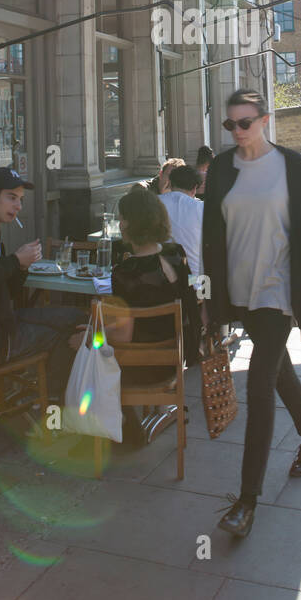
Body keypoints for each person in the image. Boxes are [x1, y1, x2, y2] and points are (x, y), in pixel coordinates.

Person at [202, 88, 301, 539]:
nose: (238, 132)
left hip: (277, 291)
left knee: (258, 385)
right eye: (230, 125)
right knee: (279, 371)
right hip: (239, 289)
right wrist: (209, 295)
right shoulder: (220, 168)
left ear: (265, 119)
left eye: (245, 122)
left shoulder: (291, 166)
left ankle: (247, 501)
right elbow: (211, 233)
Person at [68, 186, 200, 444]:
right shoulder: (176, 254)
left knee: (74, 345)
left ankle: (118, 428)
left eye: (121, 218)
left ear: (130, 224)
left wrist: (90, 334)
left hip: (140, 368)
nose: (119, 223)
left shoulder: (125, 273)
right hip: (175, 359)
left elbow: (124, 336)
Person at [0, 167, 85, 402]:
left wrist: (20, 267)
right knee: (69, 335)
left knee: (78, 318)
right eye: (11, 198)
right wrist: (15, 260)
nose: (18, 206)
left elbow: (3, 289)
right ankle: (50, 402)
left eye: (20, 199)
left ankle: (38, 396)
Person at [160, 164, 204, 274]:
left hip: (160, 277)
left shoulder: (154, 203)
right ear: (194, 188)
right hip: (197, 279)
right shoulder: (202, 208)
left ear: (170, 183)